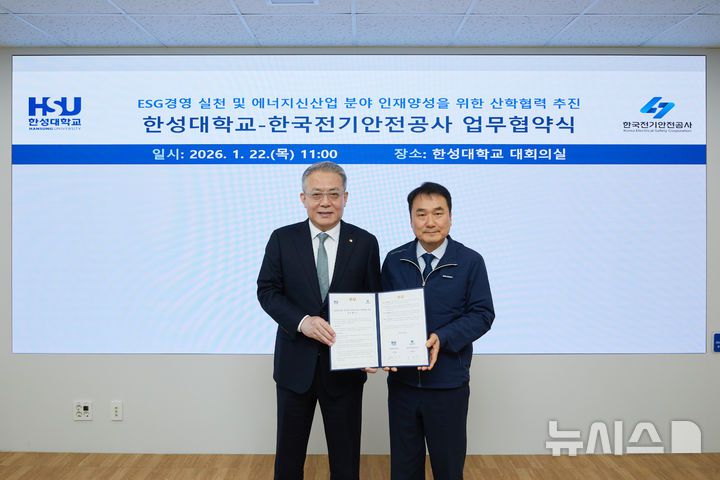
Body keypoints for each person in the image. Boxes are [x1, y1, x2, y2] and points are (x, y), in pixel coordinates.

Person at [257, 161, 381, 480]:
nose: (325, 202)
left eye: (333, 194)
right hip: (294, 367)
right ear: (303, 198)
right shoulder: (282, 239)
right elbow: (267, 291)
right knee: (288, 459)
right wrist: (302, 322)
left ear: (345, 197)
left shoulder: (365, 242)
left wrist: (373, 348)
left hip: (345, 369)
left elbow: (373, 300)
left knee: (346, 461)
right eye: (316, 194)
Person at [381, 182, 495, 480]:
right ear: (411, 219)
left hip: (448, 384)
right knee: (404, 469)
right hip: (403, 385)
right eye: (421, 214)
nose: (430, 222)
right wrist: (378, 349)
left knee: (448, 468)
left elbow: (482, 314)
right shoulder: (394, 260)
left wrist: (442, 338)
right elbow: (382, 313)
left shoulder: (470, 261)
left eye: (438, 213)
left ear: (450, 217)